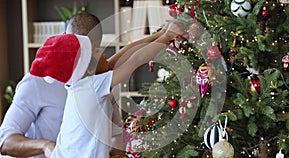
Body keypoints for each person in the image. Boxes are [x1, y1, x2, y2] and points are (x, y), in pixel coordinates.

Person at [0, 12, 171, 158]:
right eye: (95, 51)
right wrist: (46, 146)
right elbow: (5, 142)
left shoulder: (87, 75)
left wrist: (159, 35)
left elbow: (126, 54)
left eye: (98, 47)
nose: (103, 55)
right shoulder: (43, 83)